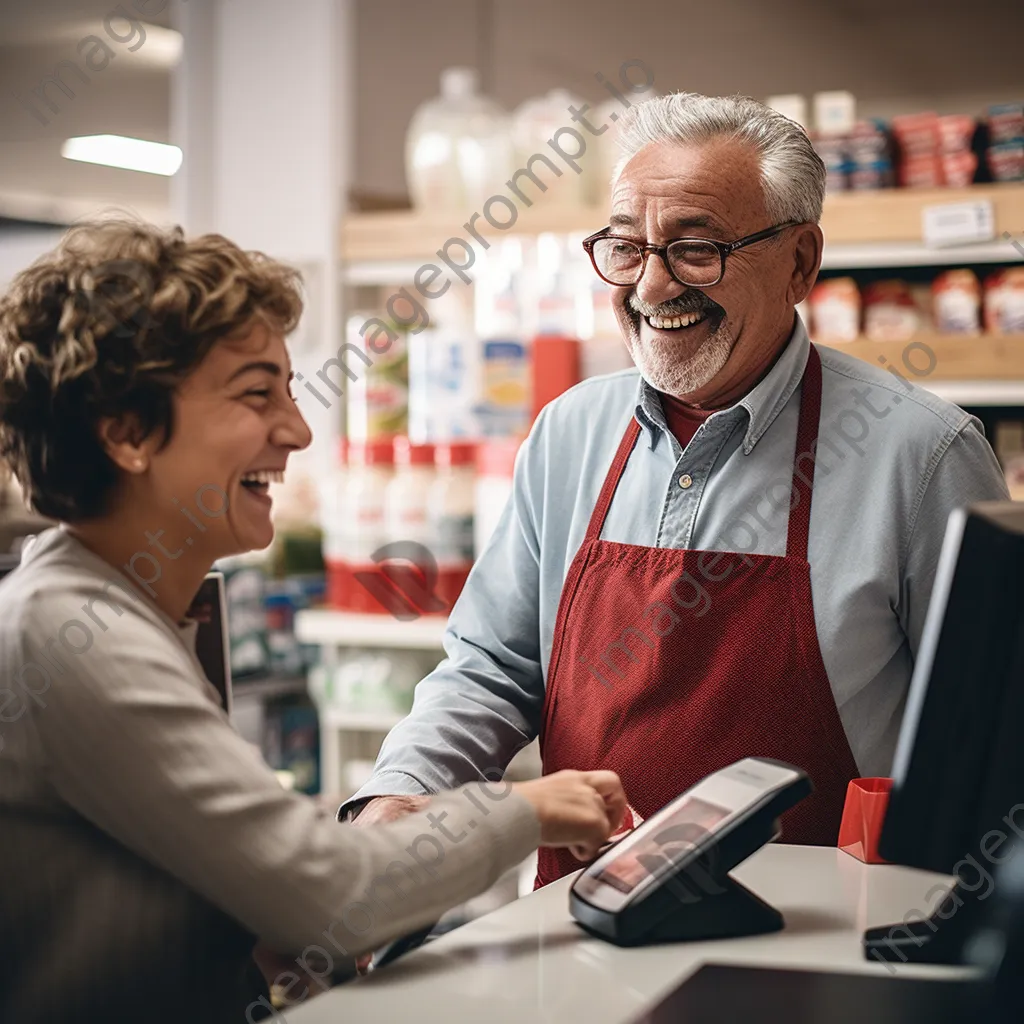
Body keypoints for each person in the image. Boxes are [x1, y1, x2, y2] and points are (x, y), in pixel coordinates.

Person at [343, 92, 1009, 889]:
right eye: (626, 248)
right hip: (581, 935)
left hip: (822, 955)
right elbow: (492, 665)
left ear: (800, 261)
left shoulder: (921, 456)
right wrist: (399, 792)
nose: (653, 288)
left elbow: (993, 742)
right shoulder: (569, 434)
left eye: (696, 250)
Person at [0, 220, 626, 1024]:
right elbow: (331, 891)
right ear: (126, 431)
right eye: (258, 394)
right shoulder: (69, 633)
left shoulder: (136, 611)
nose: (297, 431)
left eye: (292, 392)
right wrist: (528, 811)